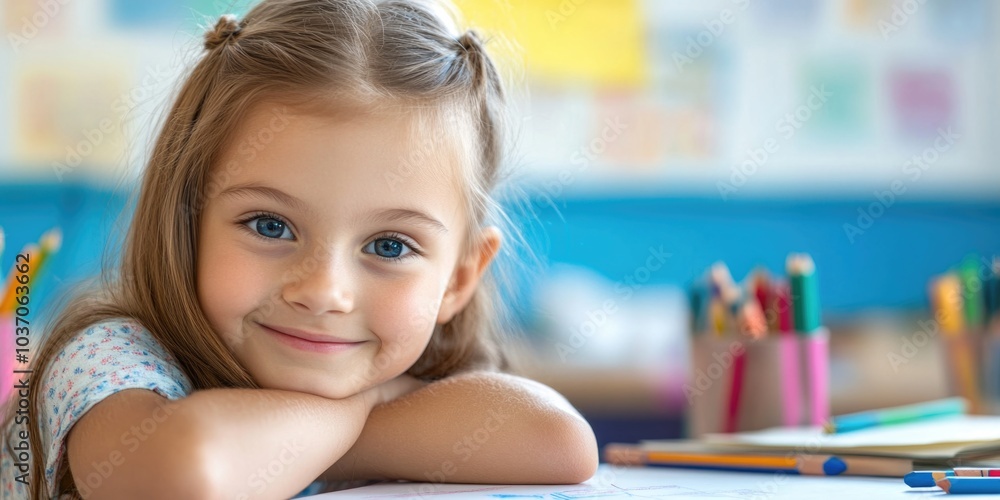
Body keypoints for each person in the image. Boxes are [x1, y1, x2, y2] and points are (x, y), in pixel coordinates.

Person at [0, 0, 598, 497]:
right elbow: (182, 474)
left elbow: (559, 441)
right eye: (269, 226)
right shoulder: (105, 356)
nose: (322, 290)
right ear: (186, 223)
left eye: (389, 245)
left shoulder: (396, 368)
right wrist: (364, 412)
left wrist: (320, 435)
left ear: (459, 279)